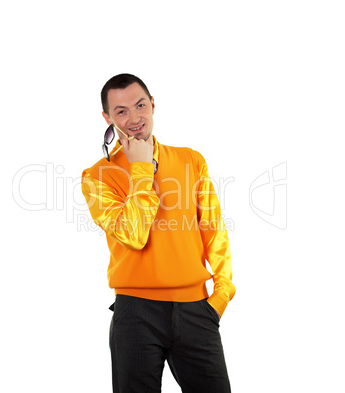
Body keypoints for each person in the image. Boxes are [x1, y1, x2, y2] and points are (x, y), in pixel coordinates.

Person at [81, 73, 236, 393]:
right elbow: (134, 234)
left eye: (140, 105)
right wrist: (140, 168)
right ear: (107, 118)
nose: (134, 118)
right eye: (121, 111)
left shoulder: (190, 160)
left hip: (197, 311)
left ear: (153, 104)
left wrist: (220, 296)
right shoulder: (96, 177)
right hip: (135, 314)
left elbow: (214, 231)